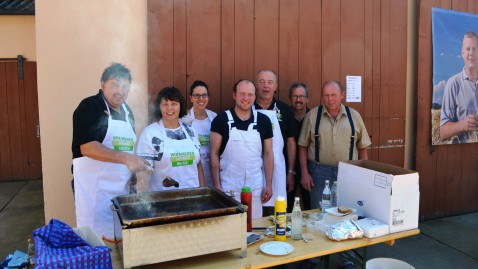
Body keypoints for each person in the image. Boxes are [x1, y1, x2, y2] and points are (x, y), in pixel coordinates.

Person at [298, 80, 371, 269]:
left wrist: (361, 175)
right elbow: (303, 147)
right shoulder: (312, 116)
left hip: (347, 172)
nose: (330, 99)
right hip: (319, 171)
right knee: (318, 216)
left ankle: (346, 259)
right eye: (326, 95)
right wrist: (304, 173)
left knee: (346, 215)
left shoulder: (354, 116)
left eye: (334, 95)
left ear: (342, 95)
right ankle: (316, 255)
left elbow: (363, 147)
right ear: (322, 96)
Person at [72, 62, 150, 240]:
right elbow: (87, 147)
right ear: (102, 84)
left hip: (120, 193)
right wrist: (126, 159)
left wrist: (134, 172)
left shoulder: (127, 112)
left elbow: (127, 148)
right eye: (115, 84)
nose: (120, 91)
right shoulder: (89, 106)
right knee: (96, 241)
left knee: (119, 241)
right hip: (94, 194)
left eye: (125, 86)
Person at [210, 79, 274, 219]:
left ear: (255, 97)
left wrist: (268, 184)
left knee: (255, 226)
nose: (246, 98)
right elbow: (213, 154)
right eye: (242, 94)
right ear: (234, 95)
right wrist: (216, 185)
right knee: (230, 227)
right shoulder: (221, 120)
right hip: (229, 187)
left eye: (250, 94)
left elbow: (268, 153)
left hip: (255, 187)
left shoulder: (264, 121)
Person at [135, 87, 205, 192]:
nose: (170, 109)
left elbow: (198, 165)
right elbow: (144, 174)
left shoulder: (190, 131)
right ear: (159, 107)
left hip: (193, 198)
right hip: (163, 201)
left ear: (180, 106)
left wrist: (203, 193)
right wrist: (144, 204)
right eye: (165, 104)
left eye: (174, 104)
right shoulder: (150, 133)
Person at [254, 70, 298, 216]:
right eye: (262, 82)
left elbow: (291, 142)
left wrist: (290, 172)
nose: (266, 86)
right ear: (256, 85)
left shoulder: (285, 110)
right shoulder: (247, 108)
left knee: (277, 213)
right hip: (253, 168)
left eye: (270, 82)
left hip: (279, 170)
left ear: (276, 86)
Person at [440, 31, 478, 143]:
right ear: (462, 53)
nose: (471, 53)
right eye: (468, 49)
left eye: (475, 49)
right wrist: (462, 125)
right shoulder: (453, 84)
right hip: (462, 154)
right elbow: (442, 132)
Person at [181, 80, 217, 187]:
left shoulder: (214, 118)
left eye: (204, 95)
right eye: (196, 95)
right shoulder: (184, 119)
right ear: (191, 97)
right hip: (191, 168)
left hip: (211, 168)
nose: (201, 99)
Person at [288, 82, 311, 211]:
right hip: (288, 168)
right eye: (295, 96)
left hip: (309, 169)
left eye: (301, 96)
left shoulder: (314, 116)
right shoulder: (285, 115)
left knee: (310, 205)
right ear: (290, 98)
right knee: (286, 206)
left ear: (307, 98)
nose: (298, 100)